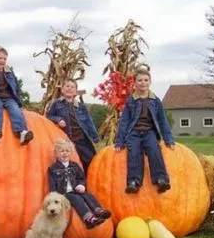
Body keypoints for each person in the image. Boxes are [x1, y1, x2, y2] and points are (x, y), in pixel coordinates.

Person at [115, 66, 174, 194]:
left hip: (149, 132)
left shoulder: (155, 100)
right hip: (134, 133)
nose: (143, 83)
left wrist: (169, 139)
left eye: (146, 80)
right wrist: (119, 141)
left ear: (150, 82)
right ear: (135, 83)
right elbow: (124, 122)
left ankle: (161, 179)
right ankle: (134, 182)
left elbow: (162, 120)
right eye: (140, 80)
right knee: (134, 152)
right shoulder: (131, 101)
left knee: (154, 150)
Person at [48, 138, 111, 229]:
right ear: (56, 153)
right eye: (61, 151)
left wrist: (81, 185)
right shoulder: (53, 169)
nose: (65, 153)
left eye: (67, 151)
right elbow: (52, 185)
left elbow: (81, 178)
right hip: (63, 195)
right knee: (77, 199)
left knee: (88, 195)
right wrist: (54, 198)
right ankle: (89, 219)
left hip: (76, 190)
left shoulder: (75, 166)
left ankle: (98, 210)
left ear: (71, 153)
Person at [46, 79, 99, 173]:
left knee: (90, 158)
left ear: (75, 91)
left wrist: (95, 136)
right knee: (72, 162)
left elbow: (88, 122)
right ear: (62, 89)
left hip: (81, 139)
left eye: (72, 87)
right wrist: (58, 119)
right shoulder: (56, 104)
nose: (69, 89)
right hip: (66, 139)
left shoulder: (81, 106)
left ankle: (86, 181)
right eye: (67, 86)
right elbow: (49, 116)